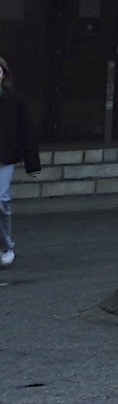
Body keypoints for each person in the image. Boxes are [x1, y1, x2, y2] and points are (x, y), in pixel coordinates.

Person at [0, 58, 40, 268]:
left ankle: (6, 246)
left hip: (4, 158)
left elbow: (26, 132)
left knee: (1, 201)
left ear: (3, 74)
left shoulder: (15, 100)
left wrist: (32, 163)